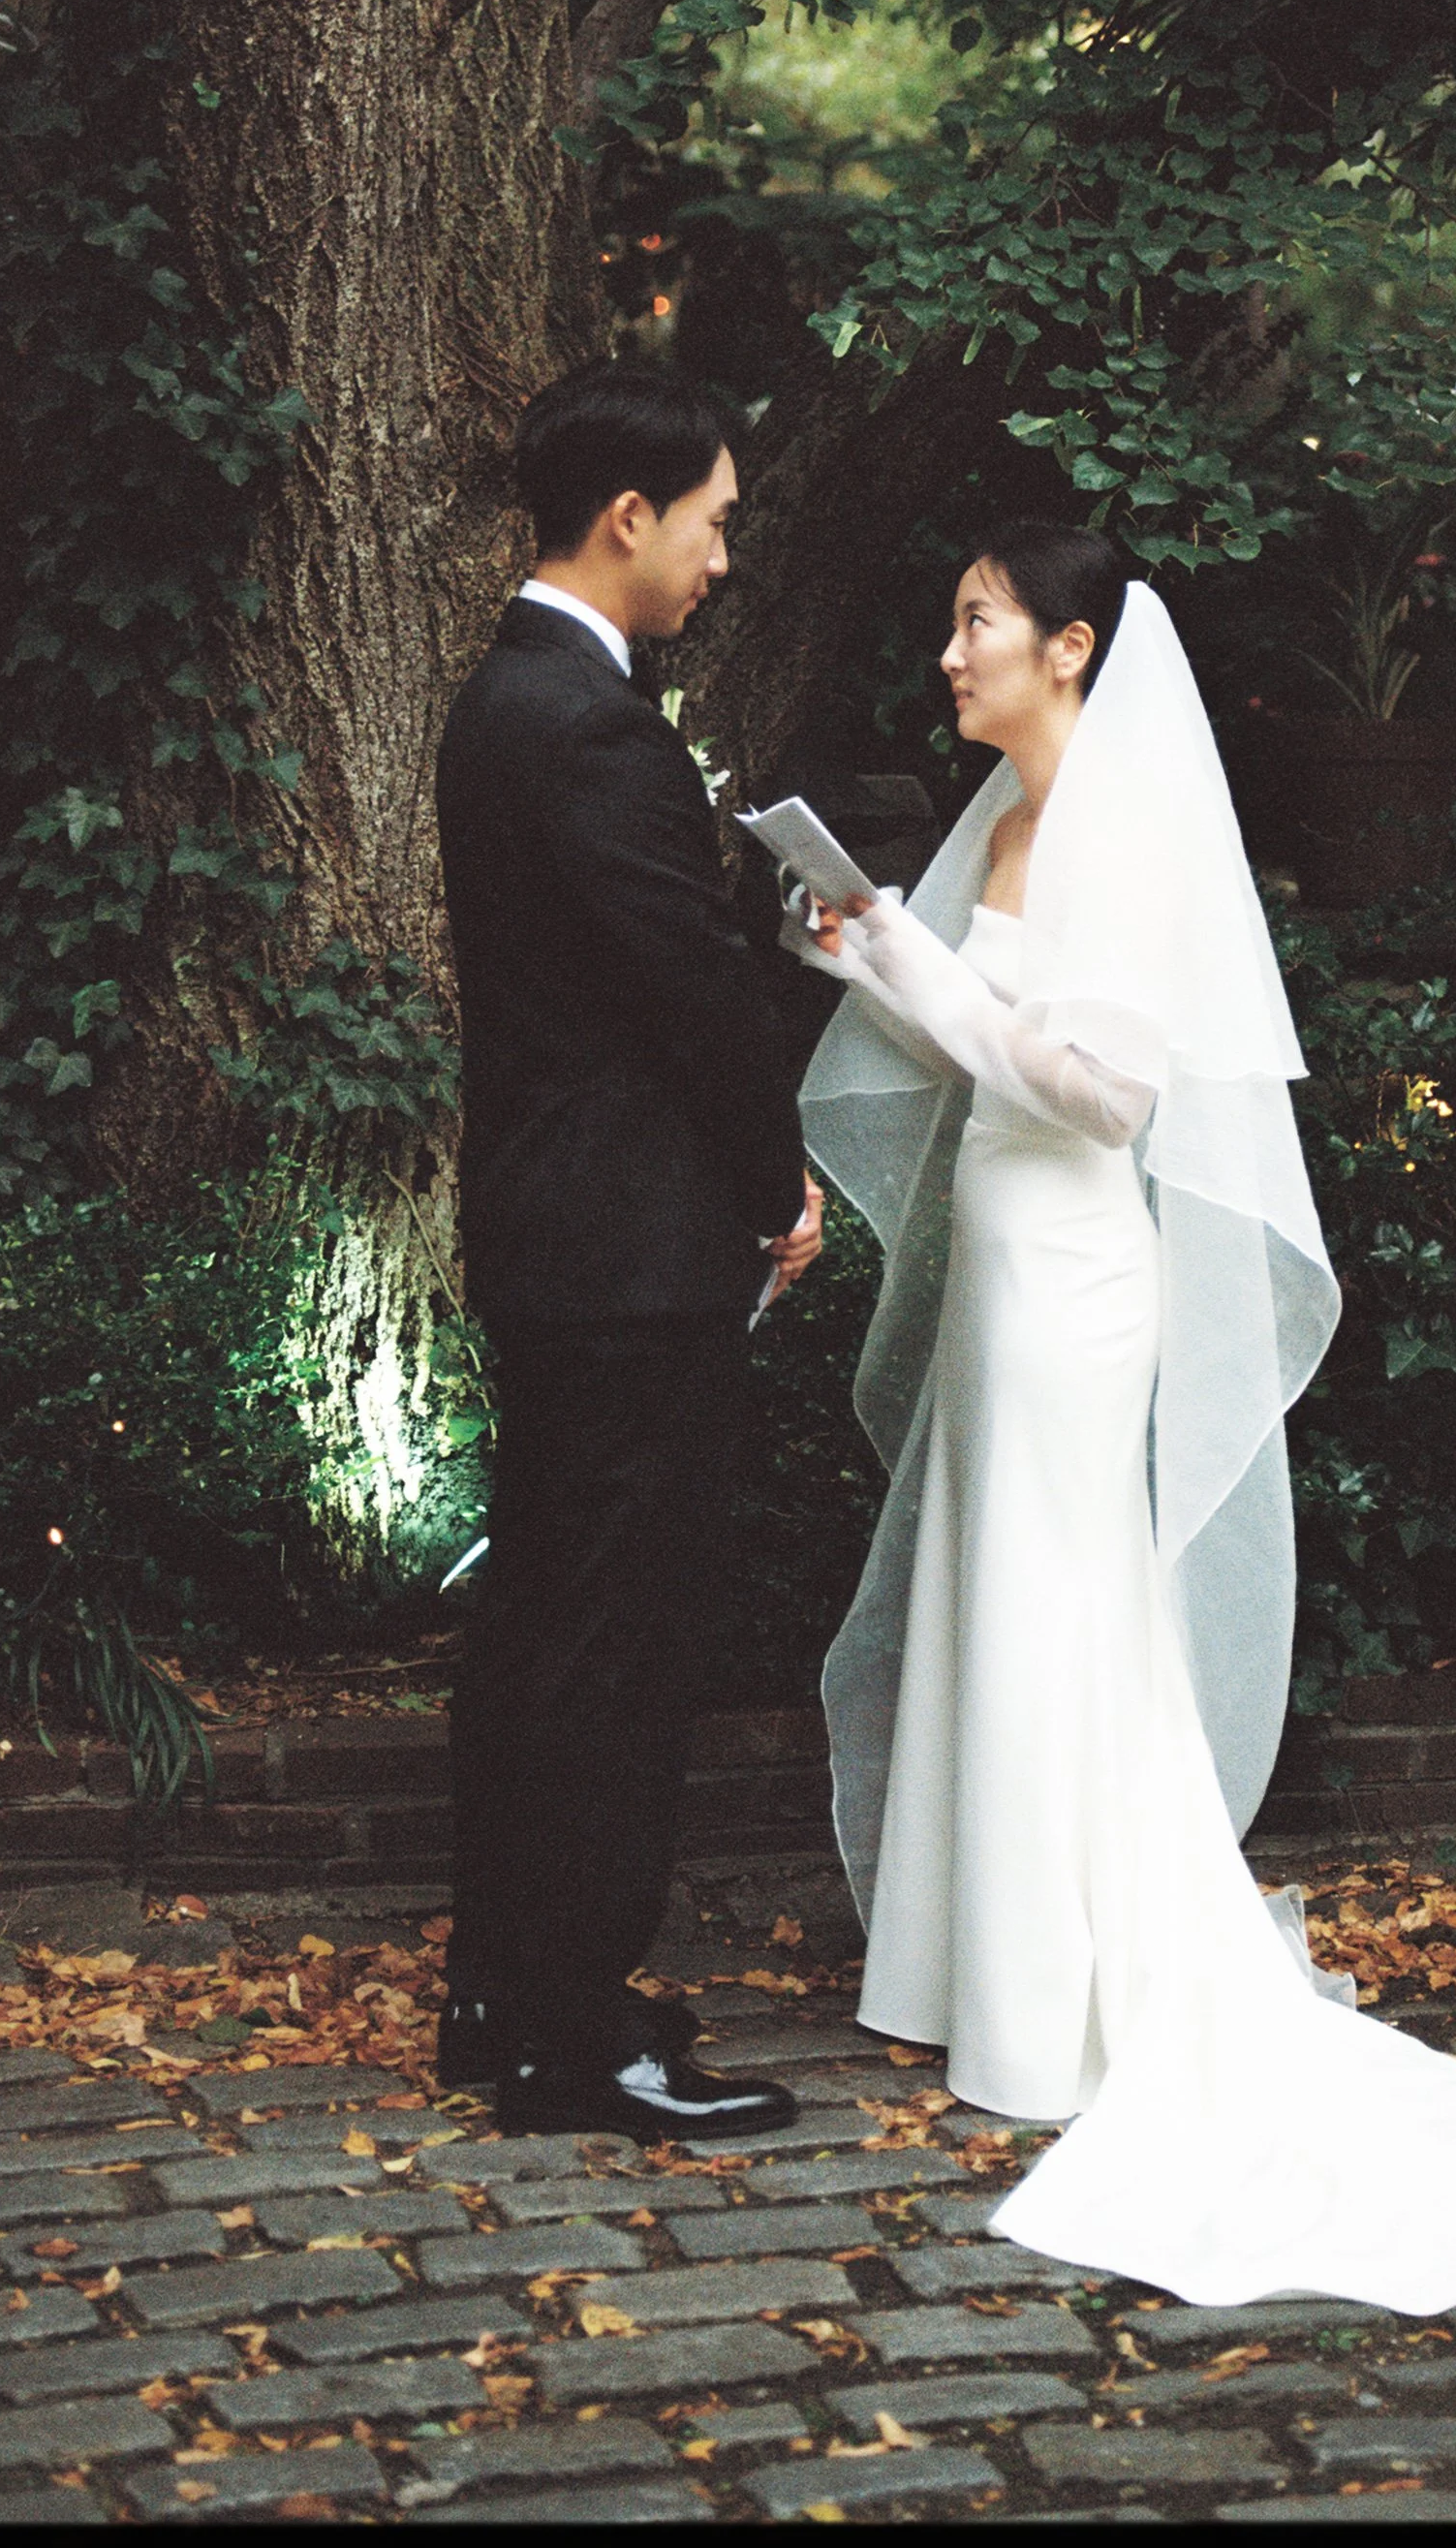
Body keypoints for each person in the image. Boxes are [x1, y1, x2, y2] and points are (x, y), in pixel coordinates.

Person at [785, 524, 1456, 2309]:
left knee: (1064, 1593)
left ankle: (1068, 1995)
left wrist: (926, 979)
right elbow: (985, 1042)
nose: (952, 652)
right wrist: (873, 952)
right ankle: (969, 1973)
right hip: (1003, 1264)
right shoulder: (1003, 822)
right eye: (956, 621)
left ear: (1072, 647)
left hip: (1081, 1272)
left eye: (978, 621)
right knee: (985, 1580)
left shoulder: (1132, 829)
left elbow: (1104, 1094)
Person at [434, 357, 822, 2138]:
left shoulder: (518, 696)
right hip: (627, 1244)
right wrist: (776, 1185)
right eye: (715, 525)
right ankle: (578, 2039)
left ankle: (510, 1991)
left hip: (562, 1233)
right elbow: (686, 997)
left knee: (544, 1624)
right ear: (627, 519)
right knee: (613, 1639)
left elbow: (636, 948)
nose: (721, 560)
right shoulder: (581, 720)